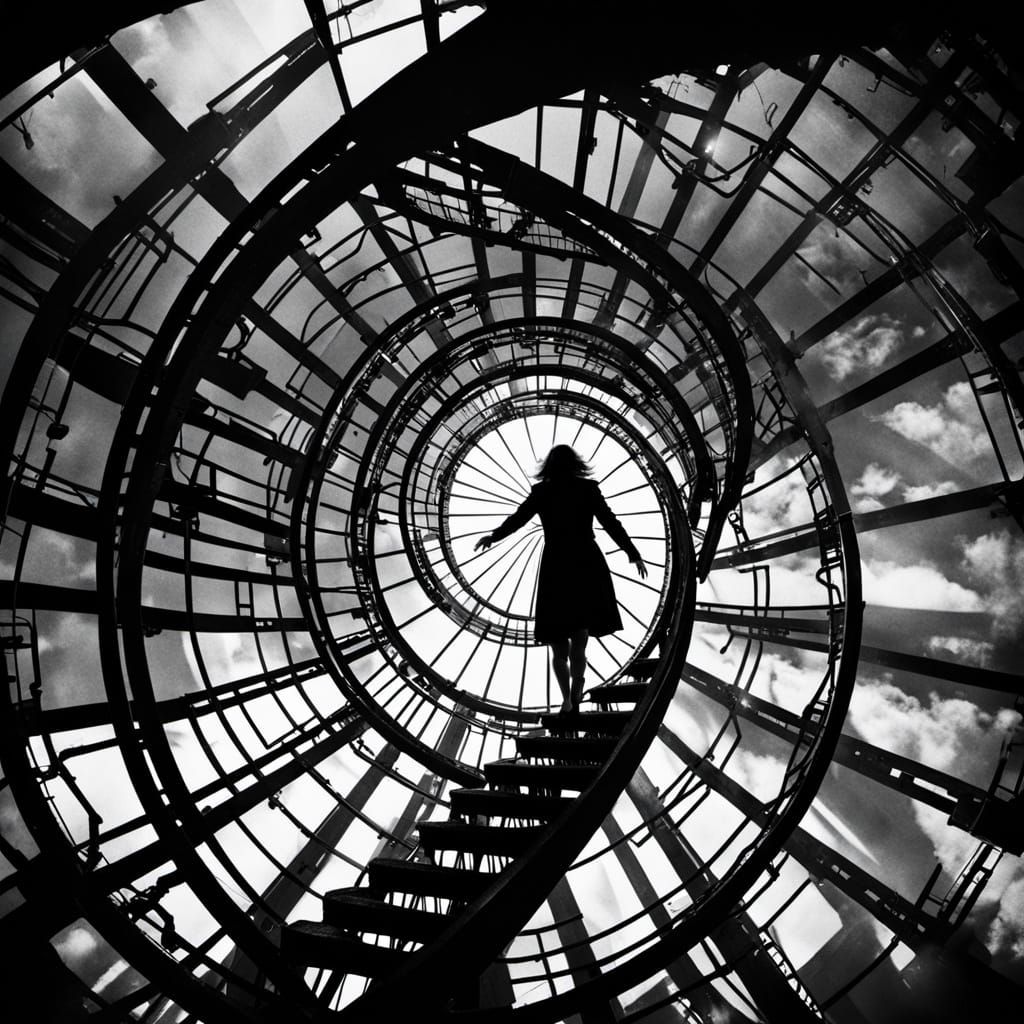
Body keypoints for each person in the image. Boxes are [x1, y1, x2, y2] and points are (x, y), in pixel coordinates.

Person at [474, 445, 647, 712]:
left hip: (556, 564)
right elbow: (611, 522)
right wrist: (632, 552)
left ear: (549, 467)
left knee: (558, 646)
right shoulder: (587, 489)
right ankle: (577, 687)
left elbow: (518, 519)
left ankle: (566, 699)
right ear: (575, 464)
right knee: (580, 638)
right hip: (585, 561)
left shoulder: (542, 492)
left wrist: (494, 536)